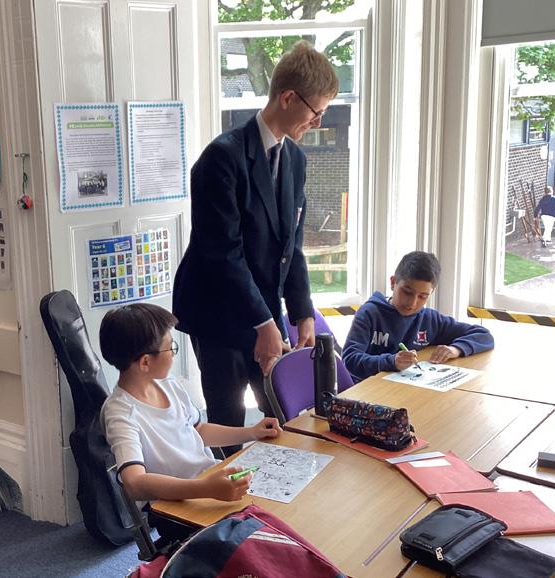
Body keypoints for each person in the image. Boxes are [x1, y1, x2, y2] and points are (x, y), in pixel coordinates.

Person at [172, 41, 339, 446]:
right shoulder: (221, 158)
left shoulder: (295, 160)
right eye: (316, 111)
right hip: (218, 312)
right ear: (288, 97)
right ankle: (228, 487)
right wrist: (265, 324)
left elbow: (291, 246)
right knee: (229, 421)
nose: (318, 122)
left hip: (263, 308)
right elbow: (222, 253)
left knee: (280, 416)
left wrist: (302, 313)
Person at [99, 303, 282, 502]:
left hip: (209, 485)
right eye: (171, 348)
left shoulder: (168, 385)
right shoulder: (121, 414)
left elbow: (199, 431)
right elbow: (134, 484)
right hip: (179, 504)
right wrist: (204, 489)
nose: (173, 354)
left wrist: (251, 432)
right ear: (145, 362)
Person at [342, 251, 494, 382]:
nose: (412, 303)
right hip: (369, 392)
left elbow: (484, 335)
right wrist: (391, 361)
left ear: (431, 292)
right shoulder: (370, 314)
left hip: (407, 390)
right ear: (393, 282)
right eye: (407, 292)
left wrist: (456, 349)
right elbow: (350, 359)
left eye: (423, 296)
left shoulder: (430, 320)